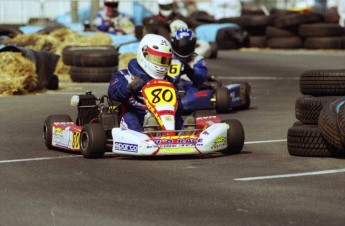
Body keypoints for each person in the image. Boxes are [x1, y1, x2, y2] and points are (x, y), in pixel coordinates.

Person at [108, 34, 184, 132]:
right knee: (130, 118)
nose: (161, 65)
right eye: (157, 59)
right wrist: (129, 88)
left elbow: (180, 108)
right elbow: (113, 93)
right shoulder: (125, 75)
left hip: (162, 118)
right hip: (136, 117)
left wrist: (176, 101)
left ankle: (184, 133)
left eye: (164, 61)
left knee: (177, 117)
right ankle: (146, 133)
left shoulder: (169, 81)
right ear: (143, 54)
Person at [169, 27, 209, 112]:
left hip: (188, 86)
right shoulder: (167, 57)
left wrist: (189, 71)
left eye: (187, 46)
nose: (183, 48)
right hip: (166, 84)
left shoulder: (198, 59)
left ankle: (182, 105)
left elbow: (200, 78)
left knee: (192, 95)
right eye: (181, 45)